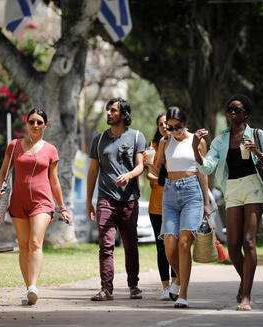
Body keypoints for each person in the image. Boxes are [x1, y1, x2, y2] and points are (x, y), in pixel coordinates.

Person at [192, 94, 263, 311]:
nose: (232, 113)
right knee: (232, 247)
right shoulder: (220, 140)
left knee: (248, 241)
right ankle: (245, 282)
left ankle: (246, 296)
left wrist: (257, 153)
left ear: (246, 113)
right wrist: (196, 148)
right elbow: (207, 166)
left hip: (253, 187)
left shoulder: (257, 135)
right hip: (232, 188)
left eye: (237, 110)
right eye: (229, 109)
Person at [0, 108, 72, 306]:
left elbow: (54, 182)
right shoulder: (14, 146)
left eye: (39, 122)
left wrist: (62, 207)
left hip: (42, 202)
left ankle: (33, 286)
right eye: (31, 122)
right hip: (18, 202)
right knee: (22, 245)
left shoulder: (51, 150)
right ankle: (28, 288)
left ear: (45, 125)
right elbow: (3, 172)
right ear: (27, 124)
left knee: (35, 243)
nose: (35, 125)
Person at [86, 97, 146, 301]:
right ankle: (106, 289)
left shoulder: (137, 137)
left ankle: (134, 285)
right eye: (107, 110)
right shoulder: (99, 139)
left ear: (123, 114)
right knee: (106, 245)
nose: (109, 114)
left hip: (129, 200)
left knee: (130, 244)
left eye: (113, 110)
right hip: (105, 199)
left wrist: (128, 175)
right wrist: (89, 201)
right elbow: (93, 171)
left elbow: (140, 166)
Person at [156, 106, 210, 309]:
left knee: (184, 243)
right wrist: (145, 164)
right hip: (169, 194)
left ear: (185, 124)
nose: (174, 131)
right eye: (169, 127)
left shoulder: (197, 141)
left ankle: (183, 294)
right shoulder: (165, 141)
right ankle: (178, 278)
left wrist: (206, 202)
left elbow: (203, 172)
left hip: (192, 192)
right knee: (169, 244)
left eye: (177, 127)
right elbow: (158, 167)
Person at [144, 113, 177, 300]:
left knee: (174, 246)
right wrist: (166, 177)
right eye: (160, 124)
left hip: (175, 203)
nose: (164, 126)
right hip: (156, 206)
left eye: (167, 123)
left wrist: (162, 177)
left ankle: (175, 284)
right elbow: (149, 174)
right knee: (161, 247)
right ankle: (165, 287)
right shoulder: (153, 146)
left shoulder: (178, 145)